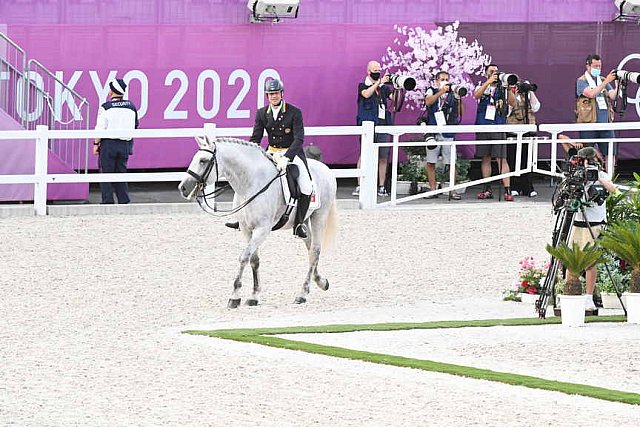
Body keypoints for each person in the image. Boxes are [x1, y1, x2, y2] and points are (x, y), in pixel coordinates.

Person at [226, 79, 311, 238]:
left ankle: (299, 224)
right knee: (248, 180)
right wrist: (250, 156)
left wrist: (288, 157)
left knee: (306, 186)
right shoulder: (261, 113)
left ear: (282, 93)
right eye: (271, 94)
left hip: (291, 153)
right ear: (267, 95)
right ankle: (240, 219)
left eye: (276, 93)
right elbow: (255, 139)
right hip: (271, 153)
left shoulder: (294, 112)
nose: (274, 96)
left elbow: (299, 139)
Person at [565, 147, 617, 311]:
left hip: (594, 222)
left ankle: (588, 297)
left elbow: (613, 190)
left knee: (590, 262)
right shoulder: (577, 175)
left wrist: (597, 178)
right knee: (571, 259)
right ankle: (569, 294)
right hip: (578, 222)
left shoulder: (601, 175)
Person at [353, 60, 395, 197]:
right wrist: (379, 82)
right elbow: (366, 94)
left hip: (383, 125)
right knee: (364, 155)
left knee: (383, 156)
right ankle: (360, 185)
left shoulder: (384, 88)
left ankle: (381, 186)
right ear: (368, 71)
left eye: (379, 70)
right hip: (368, 125)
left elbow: (394, 98)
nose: (378, 73)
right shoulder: (362, 85)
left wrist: (399, 86)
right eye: (375, 71)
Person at [94, 78, 139, 204]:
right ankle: (123, 200)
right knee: (121, 173)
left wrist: (96, 144)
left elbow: (100, 128)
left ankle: (107, 201)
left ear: (111, 92)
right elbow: (135, 125)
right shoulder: (131, 107)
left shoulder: (106, 107)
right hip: (125, 145)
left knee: (106, 174)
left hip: (108, 145)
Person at [423, 71, 464, 200]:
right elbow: (428, 102)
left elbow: (460, 112)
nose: (445, 81)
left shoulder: (452, 94)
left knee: (451, 162)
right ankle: (432, 189)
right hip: (433, 131)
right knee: (431, 162)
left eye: (447, 79)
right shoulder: (431, 90)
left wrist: (459, 98)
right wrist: (440, 92)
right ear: (436, 81)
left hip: (448, 131)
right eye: (442, 79)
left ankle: (452, 190)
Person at [473, 64, 512, 201]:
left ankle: (508, 190)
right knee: (486, 157)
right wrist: (488, 83)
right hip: (483, 125)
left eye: (496, 71)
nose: (495, 73)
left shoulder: (503, 88)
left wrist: (508, 89)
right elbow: (476, 95)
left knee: (502, 159)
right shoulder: (482, 86)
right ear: (486, 74)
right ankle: (487, 188)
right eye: (491, 71)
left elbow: (513, 102)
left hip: (498, 125)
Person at [576, 54, 617, 171]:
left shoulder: (603, 79)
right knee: (586, 154)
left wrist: (618, 84)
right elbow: (591, 94)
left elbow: (612, 95)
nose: (598, 68)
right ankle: (587, 182)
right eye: (595, 66)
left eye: (600, 66)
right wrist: (606, 82)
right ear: (588, 66)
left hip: (605, 123)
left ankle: (610, 181)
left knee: (610, 153)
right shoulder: (581, 81)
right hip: (589, 123)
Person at [506, 81, 541, 198]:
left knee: (528, 159)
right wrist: (512, 93)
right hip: (514, 131)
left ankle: (528, 187)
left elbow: (536, 107)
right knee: (513, 159)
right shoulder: (510, 94)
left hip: (528, 131)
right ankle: (514, 186)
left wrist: (529, 91)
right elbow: (508, 111)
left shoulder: (528, 95)